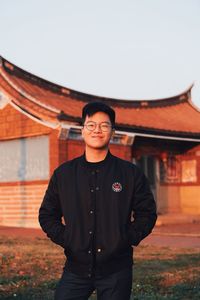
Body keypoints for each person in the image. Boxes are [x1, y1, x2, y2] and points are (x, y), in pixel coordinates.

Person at [39, 101, 157, 300]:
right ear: (83, 130)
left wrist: (125, 239)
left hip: (117, 270)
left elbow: (147, 213)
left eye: (104, 125)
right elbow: (47, 214)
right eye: (91, 125)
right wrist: (68, 239)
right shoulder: (64, 174)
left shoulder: (130, 173)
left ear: (112, 131)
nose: (97, 130)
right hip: (75, 269)